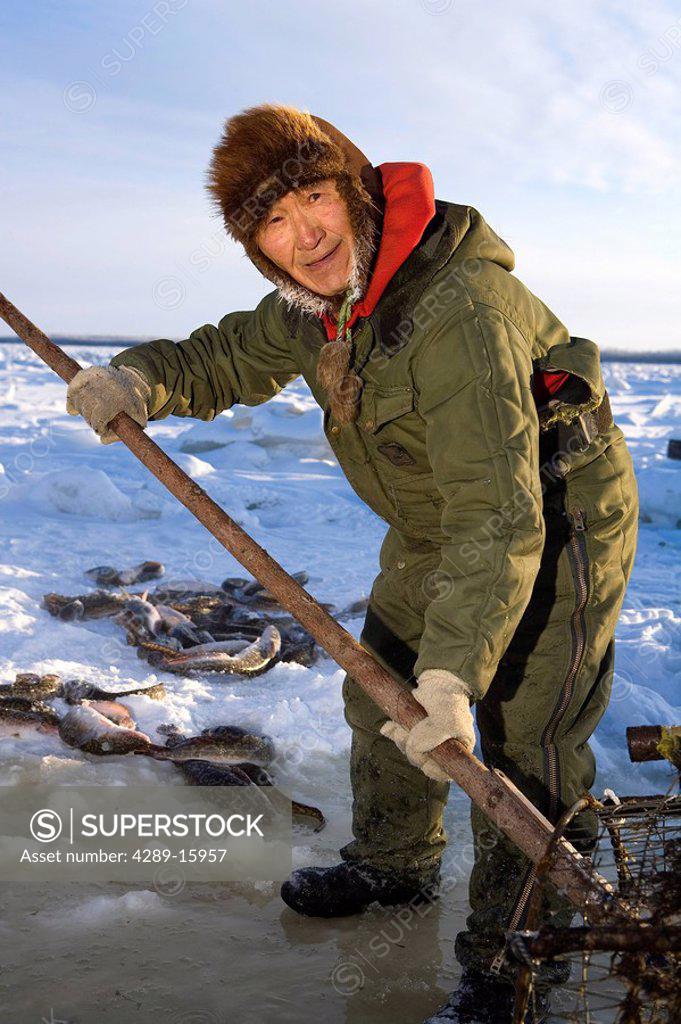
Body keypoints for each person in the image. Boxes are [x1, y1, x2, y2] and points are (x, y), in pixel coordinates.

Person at [66, 104, 639, 1023]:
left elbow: (500, 515)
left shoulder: (463, 313)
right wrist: (136, 379)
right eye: (273, 223)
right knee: (382, 692)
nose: (303, 237)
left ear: (358, 191)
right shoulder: (319, 306)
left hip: (557, 522)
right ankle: (395, 865)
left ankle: (513, 950)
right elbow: (224, 357)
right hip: (432, 520)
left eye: (314, 199)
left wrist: (457, 673)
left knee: (521, 736)